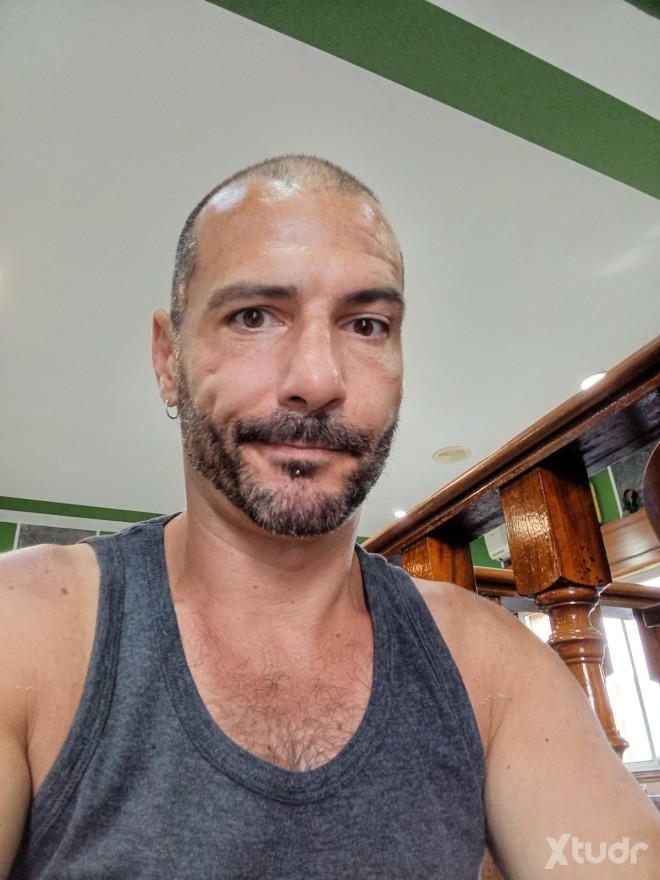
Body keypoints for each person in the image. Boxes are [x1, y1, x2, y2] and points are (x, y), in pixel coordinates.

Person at [1, 155, 658, 880]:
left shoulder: (494, 666)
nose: (317, 380)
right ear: (168, 358)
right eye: (253, 316)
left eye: (366, 325)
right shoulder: (24, 628)